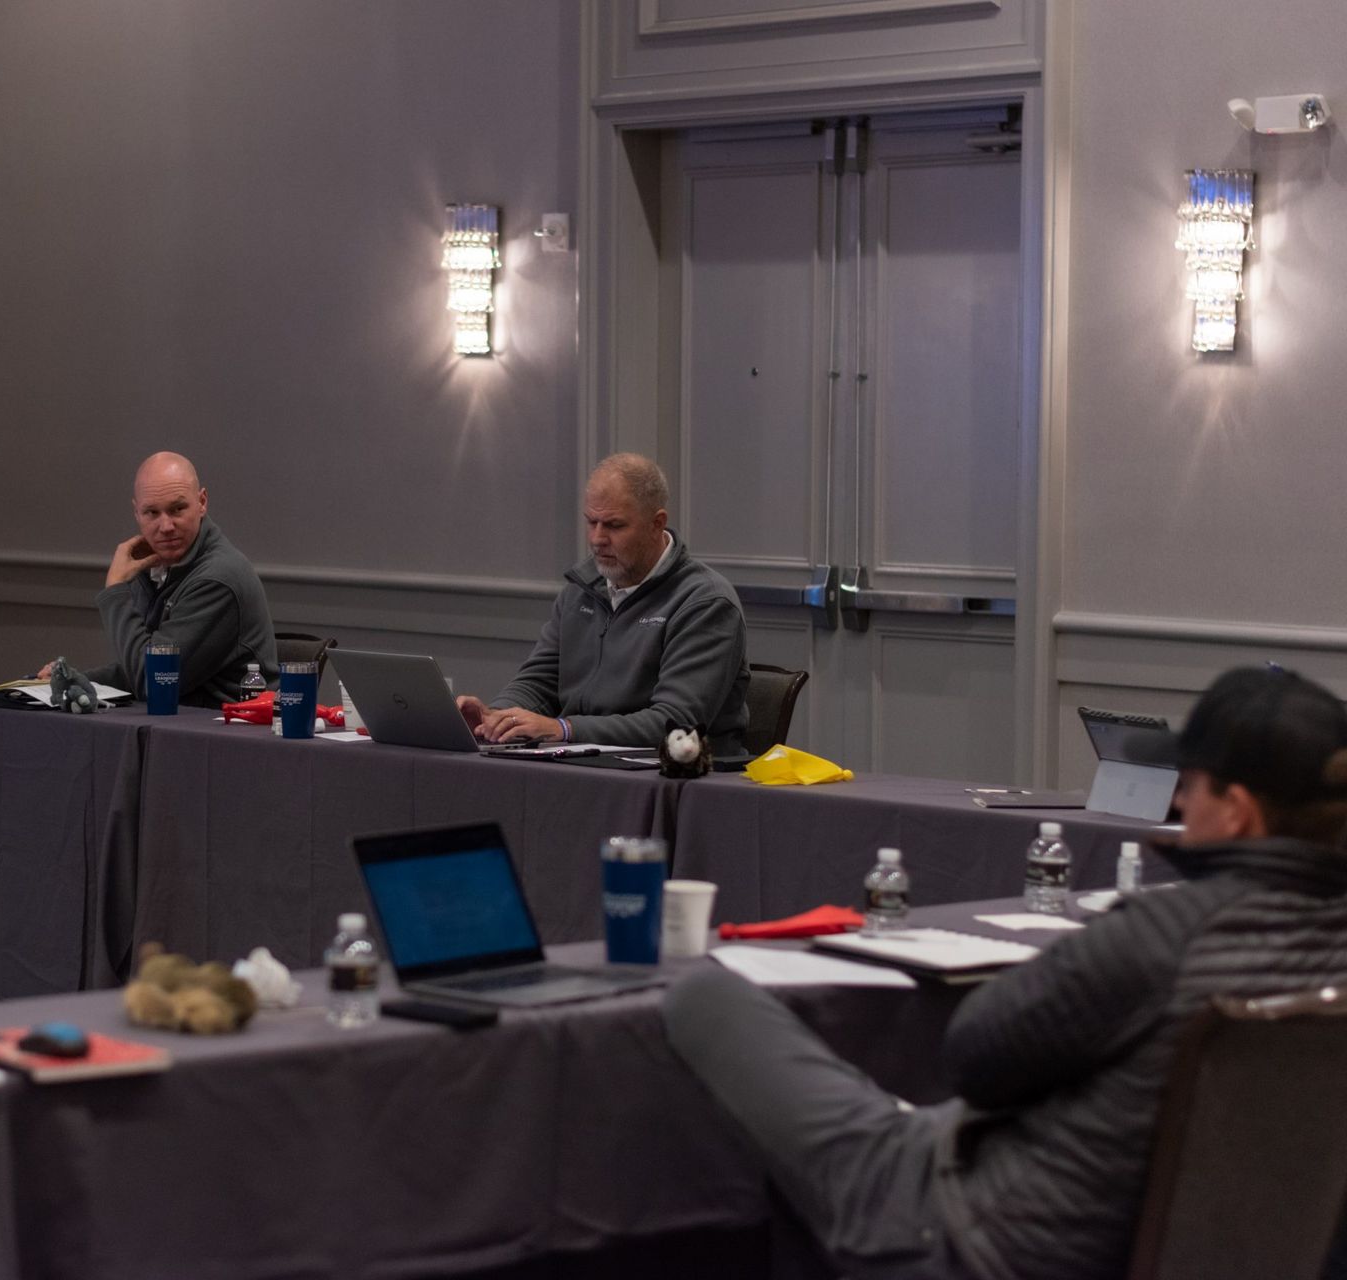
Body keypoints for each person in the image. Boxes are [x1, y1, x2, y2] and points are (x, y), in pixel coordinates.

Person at [662, 664, 1347, 1280]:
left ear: (1237, 810)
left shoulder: (1167, 935)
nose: (1178, 806)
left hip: (984, 1241)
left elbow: (975, 1056)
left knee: (708, 993)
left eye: (1191, 786)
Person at [455, 453, 749, 752]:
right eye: (591, 522)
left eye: (614, 525)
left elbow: (675, 723)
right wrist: (496, 718)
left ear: (656, 523)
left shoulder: (705, 602)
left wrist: (566, 729)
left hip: (677, 776)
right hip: (584, 764)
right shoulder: (580, 590)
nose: (597, 538)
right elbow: (539, 681)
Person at [72, 451, 276, 707]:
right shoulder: (154, 566)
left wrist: (115, 590)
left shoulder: (218, 578)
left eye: (177, 509)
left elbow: (154, 682)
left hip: (229, 733)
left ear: (202, 502)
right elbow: (141, 663)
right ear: (137, 513)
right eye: (152, 513)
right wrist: (77, 680)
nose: (166, 526)